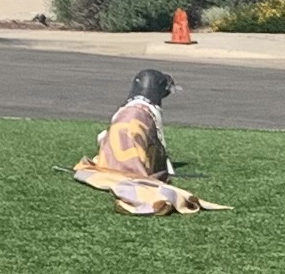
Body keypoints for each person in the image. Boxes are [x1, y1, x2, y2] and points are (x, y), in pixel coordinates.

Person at [72, 67, 220, 214]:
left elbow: (102, 137)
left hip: (106, 164)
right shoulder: (149, 112)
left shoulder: (124, 111)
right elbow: (160, 147)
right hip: (131, 170)